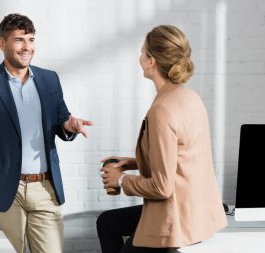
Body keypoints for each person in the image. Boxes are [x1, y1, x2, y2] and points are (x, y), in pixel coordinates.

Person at [0, 13, 92, 253]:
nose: (27, 47)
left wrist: (69, 126)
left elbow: (61, 121)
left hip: (45, 188)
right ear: (2, 43)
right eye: (19, 40)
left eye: (31, 40)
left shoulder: (50, 79)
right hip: (4, 190)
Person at [97, 25, 227, 253]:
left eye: (142, 52)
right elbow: (183, 156)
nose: (139, 57)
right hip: (197, 213)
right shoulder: (189, 97)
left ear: (152, 61)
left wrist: (120, 180)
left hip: (174, 220)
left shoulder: (161, 110)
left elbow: (161, 187)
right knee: (107, 223)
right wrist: (133, 162)